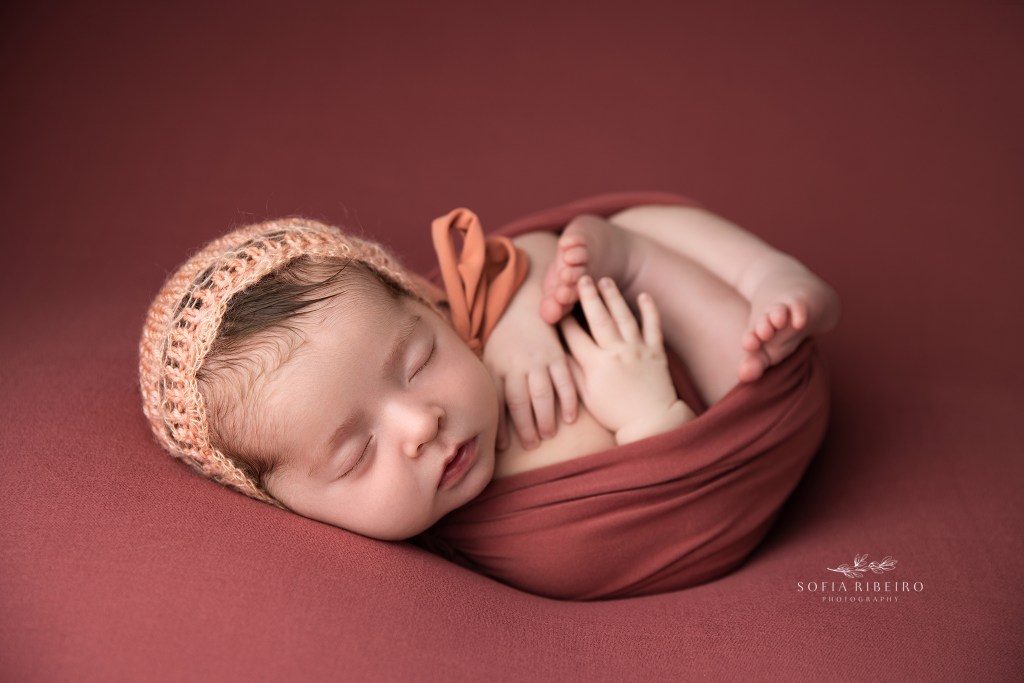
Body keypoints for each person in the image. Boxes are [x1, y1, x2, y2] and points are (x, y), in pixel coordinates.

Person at [138, 195, 840, 546]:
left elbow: (518, 253)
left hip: (635, 300)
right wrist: (648, 413)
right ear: (289, 506)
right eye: (357, 453)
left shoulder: (469, 322)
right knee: (747, 357)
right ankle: (675, 276)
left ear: (426, 303)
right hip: (733, 414)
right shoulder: (524, 541)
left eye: (418, 361)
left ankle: (765, 273)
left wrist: (516, 322)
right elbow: (693, 527)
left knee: (634, 223)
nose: (422, 422)